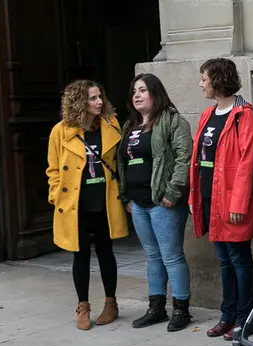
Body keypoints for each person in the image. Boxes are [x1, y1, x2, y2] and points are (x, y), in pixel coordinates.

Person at [46, 80, 128, 330]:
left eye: (100, 97)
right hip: (76, 203)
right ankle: (83, 306)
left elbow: (121, 163)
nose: (99, 102)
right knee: (80, 256)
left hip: (105, 200)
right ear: (78, 102)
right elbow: (53, 169)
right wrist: (56, 195)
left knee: (106, 253)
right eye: (92, 98)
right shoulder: (60, 131)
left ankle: (111, 303)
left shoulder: (111, 125)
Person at [189, 58, 253, 341]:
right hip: (210, 196)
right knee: (224, 259)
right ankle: (227, 315)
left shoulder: (244, 116)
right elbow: (198, 160)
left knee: (239, 259)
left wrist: (239, 204)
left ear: (218, 80)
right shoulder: (207, 115)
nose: (201, 84)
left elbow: (246, 163)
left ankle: (246, 317)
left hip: (231, 200)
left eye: (204, 79)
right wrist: (195, 196)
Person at [118, 73, 194, 332]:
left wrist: (172, 193)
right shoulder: (129, 126)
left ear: (155, 93)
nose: (136, 95)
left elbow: (184, 158)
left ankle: (181, 310)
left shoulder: (173, 121)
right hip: (138, 202)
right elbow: (123, 163)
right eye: (134, 91)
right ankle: (156, 308)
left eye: (142, 90)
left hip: (163, 202)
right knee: (152, 256)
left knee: (171, 256)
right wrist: (126, 196)